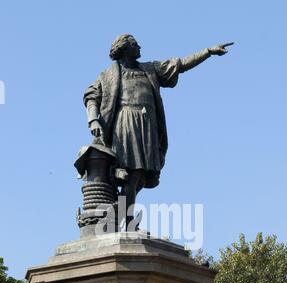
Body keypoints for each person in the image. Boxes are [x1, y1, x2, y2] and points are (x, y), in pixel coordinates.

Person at [84, 34, 232, 226]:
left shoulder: (149, 69)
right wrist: (94, 120)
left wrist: (207, 52)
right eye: (135, 44)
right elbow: (91, 97)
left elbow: (179, 64)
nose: (140, 46)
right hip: (125, 124)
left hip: (147, 126)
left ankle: (119, 214)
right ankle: (124, 218)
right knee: (133, 174)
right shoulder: (108, 76)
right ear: (125, 48)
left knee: (141, 176)